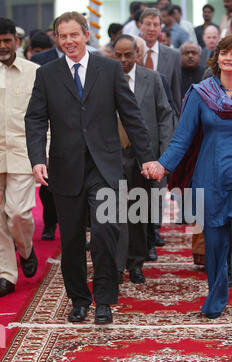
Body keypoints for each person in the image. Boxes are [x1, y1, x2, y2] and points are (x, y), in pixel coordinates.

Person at [143, 34, 232, 330]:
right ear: (217, 58)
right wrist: (162, 165)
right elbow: (182, 138)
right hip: (210, 178)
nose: (228, 58)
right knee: (216, 245)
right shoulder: (200, 93)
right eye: (223, 53)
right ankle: (217, 297)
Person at [25, 12, 154, 324]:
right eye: (63, 36)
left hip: (105, 167)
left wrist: (147, 156)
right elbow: (35, 119)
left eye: (74, 35)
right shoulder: (47, 74)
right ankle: (79, 299)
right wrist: (37, 158)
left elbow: (131, 115)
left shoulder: (109, 69)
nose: (69, 41)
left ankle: (104, 301)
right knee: (70, 239)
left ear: (86, 35)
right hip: (65, 168)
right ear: (57, 38)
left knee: (104, 233)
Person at [113, 34, 173, 283]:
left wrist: (165, 157)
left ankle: (136, 263)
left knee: (138, 213)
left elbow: (164, 116)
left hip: (143, 157)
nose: (124, 59)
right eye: (119, 55)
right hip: (112, 154)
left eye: (129, 54)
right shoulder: (105, 77)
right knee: (112, 212)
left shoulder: (153, 79)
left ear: (138, 54)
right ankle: (115, 265)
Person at [0, 17, 39, 298]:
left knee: (17, 213)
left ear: (16, 40)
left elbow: (44, 119)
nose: (2, 46)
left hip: (24, 154)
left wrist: (44, 155)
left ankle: (26, 250)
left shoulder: (35, 72)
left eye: (6, 40)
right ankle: (6, 274)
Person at [140, 8, 182, 120]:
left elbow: (176, 92)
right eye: (148, 24)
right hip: (137, 118)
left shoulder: (173, 55)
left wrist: (175, 120)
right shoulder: (133, 54)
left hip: (164, 118)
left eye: (156, 25)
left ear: (160, 27)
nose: (151, 29)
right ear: (141, 26)